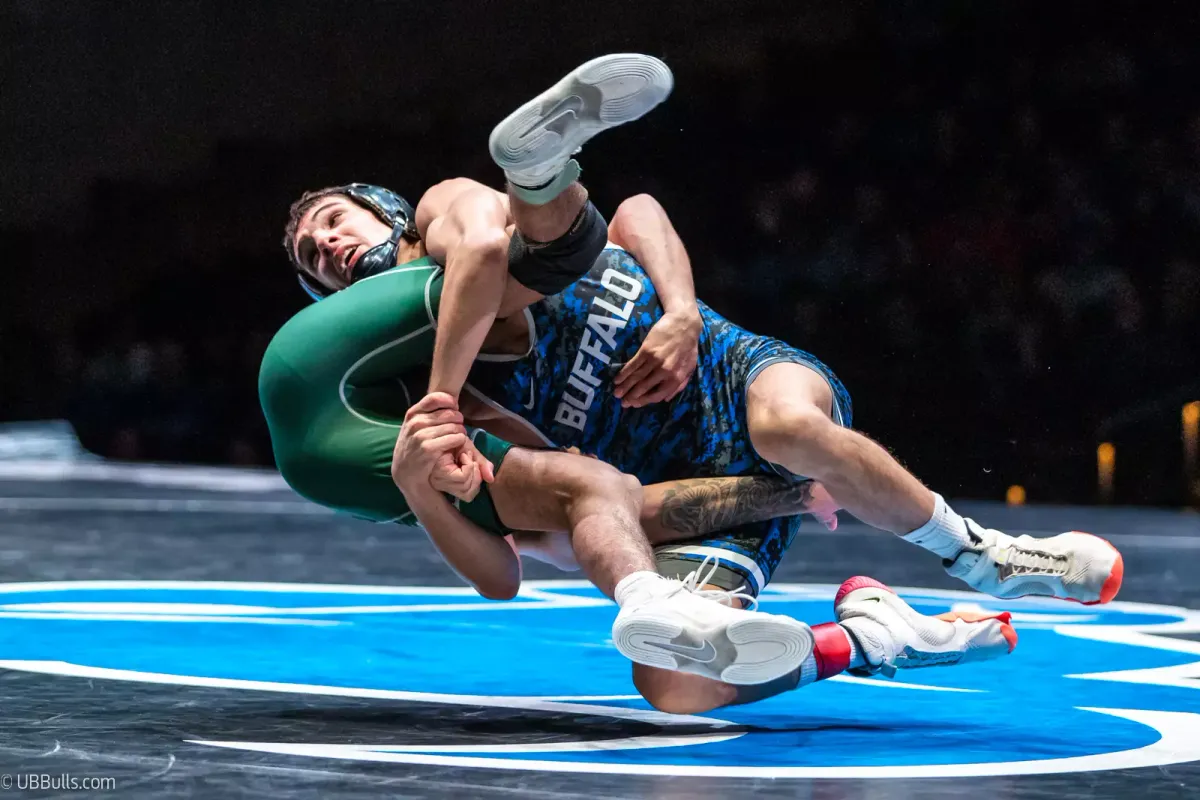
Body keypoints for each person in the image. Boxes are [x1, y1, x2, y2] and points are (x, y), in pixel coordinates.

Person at [265, 53, 1018, 714]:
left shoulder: (444, 212)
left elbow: (636, 212)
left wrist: (683, 313)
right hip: (695, 476)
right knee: (674, 685)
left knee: (785, 427)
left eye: (333, 221)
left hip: (730, 372)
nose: (327, 244)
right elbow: (579, 505)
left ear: (379, 205)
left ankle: (974, 550)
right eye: (313, 256)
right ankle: (870, 636)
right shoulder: (460, 407)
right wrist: (782, 495)